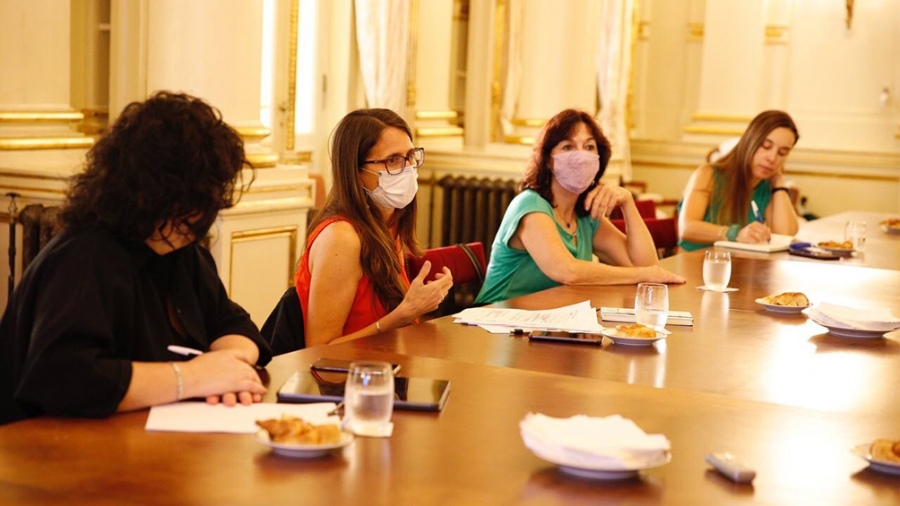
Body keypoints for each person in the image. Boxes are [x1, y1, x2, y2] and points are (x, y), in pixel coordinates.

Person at [0, 92, 271, 425]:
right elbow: (66, 378)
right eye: (190, 199)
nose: (200, 215)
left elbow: (235, 325)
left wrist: (227, 367)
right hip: (39, 443)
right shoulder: (84, 257)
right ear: (146, 191)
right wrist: (192, 377)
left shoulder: (180, 252)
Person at [475, 109, 684, 305]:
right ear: (547, 160)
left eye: (589, 147)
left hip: (550, 321)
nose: (581, 157)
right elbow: (568, 271)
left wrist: (628, 203)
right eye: (568, 147)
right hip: (495, 320)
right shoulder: (530, 205)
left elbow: (647, 266)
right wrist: (642, 274)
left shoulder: (585, 214)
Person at [295, 109, 453, 347]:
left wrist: (426, 297)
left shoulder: (387, 221)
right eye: (392, 160)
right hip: (347, 370)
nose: (408, 168)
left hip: (386, 362)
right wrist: (405, 313)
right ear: (356, 171)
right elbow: (320, 349)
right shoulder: (341, 237)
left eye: (410, 156)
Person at [678, 110, 800, 251]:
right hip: (695, 260)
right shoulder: (708, 174)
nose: (772, 158)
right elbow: (687, 228)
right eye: (766, 146)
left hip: (736, 261)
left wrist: (779, 184)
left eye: (782, 152)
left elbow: (785, 233)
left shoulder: (766, 185)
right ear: (750, 141)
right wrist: (734, 234)